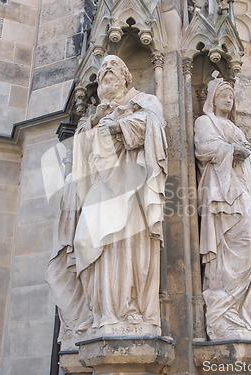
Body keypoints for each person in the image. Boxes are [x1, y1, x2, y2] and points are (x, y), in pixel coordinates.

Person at [46, 55, 167, 346]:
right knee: (87, 242)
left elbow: (154, 125)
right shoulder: (92, 116)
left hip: (131, 187)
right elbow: (79, 158)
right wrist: (91, 131)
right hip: (99, 189)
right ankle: (98, 313)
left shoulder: (144, 100)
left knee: (124, 246)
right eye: (102, 74)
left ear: (126, 77)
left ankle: (128, 311)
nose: (107, 75)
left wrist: (115, 128)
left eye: (113, 70)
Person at [194, 72, 251, 341]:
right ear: (213, 99)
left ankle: (238, 311)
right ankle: (221, 310)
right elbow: (203, 147)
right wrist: (233, 150)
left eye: (232, 96)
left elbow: (248, 152)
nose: (229, 99)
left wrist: (242, 150)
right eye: (224, 95)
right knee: (234, 245)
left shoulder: (235, 128)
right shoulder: (205, 121)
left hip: (240, 188)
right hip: (221, 191)